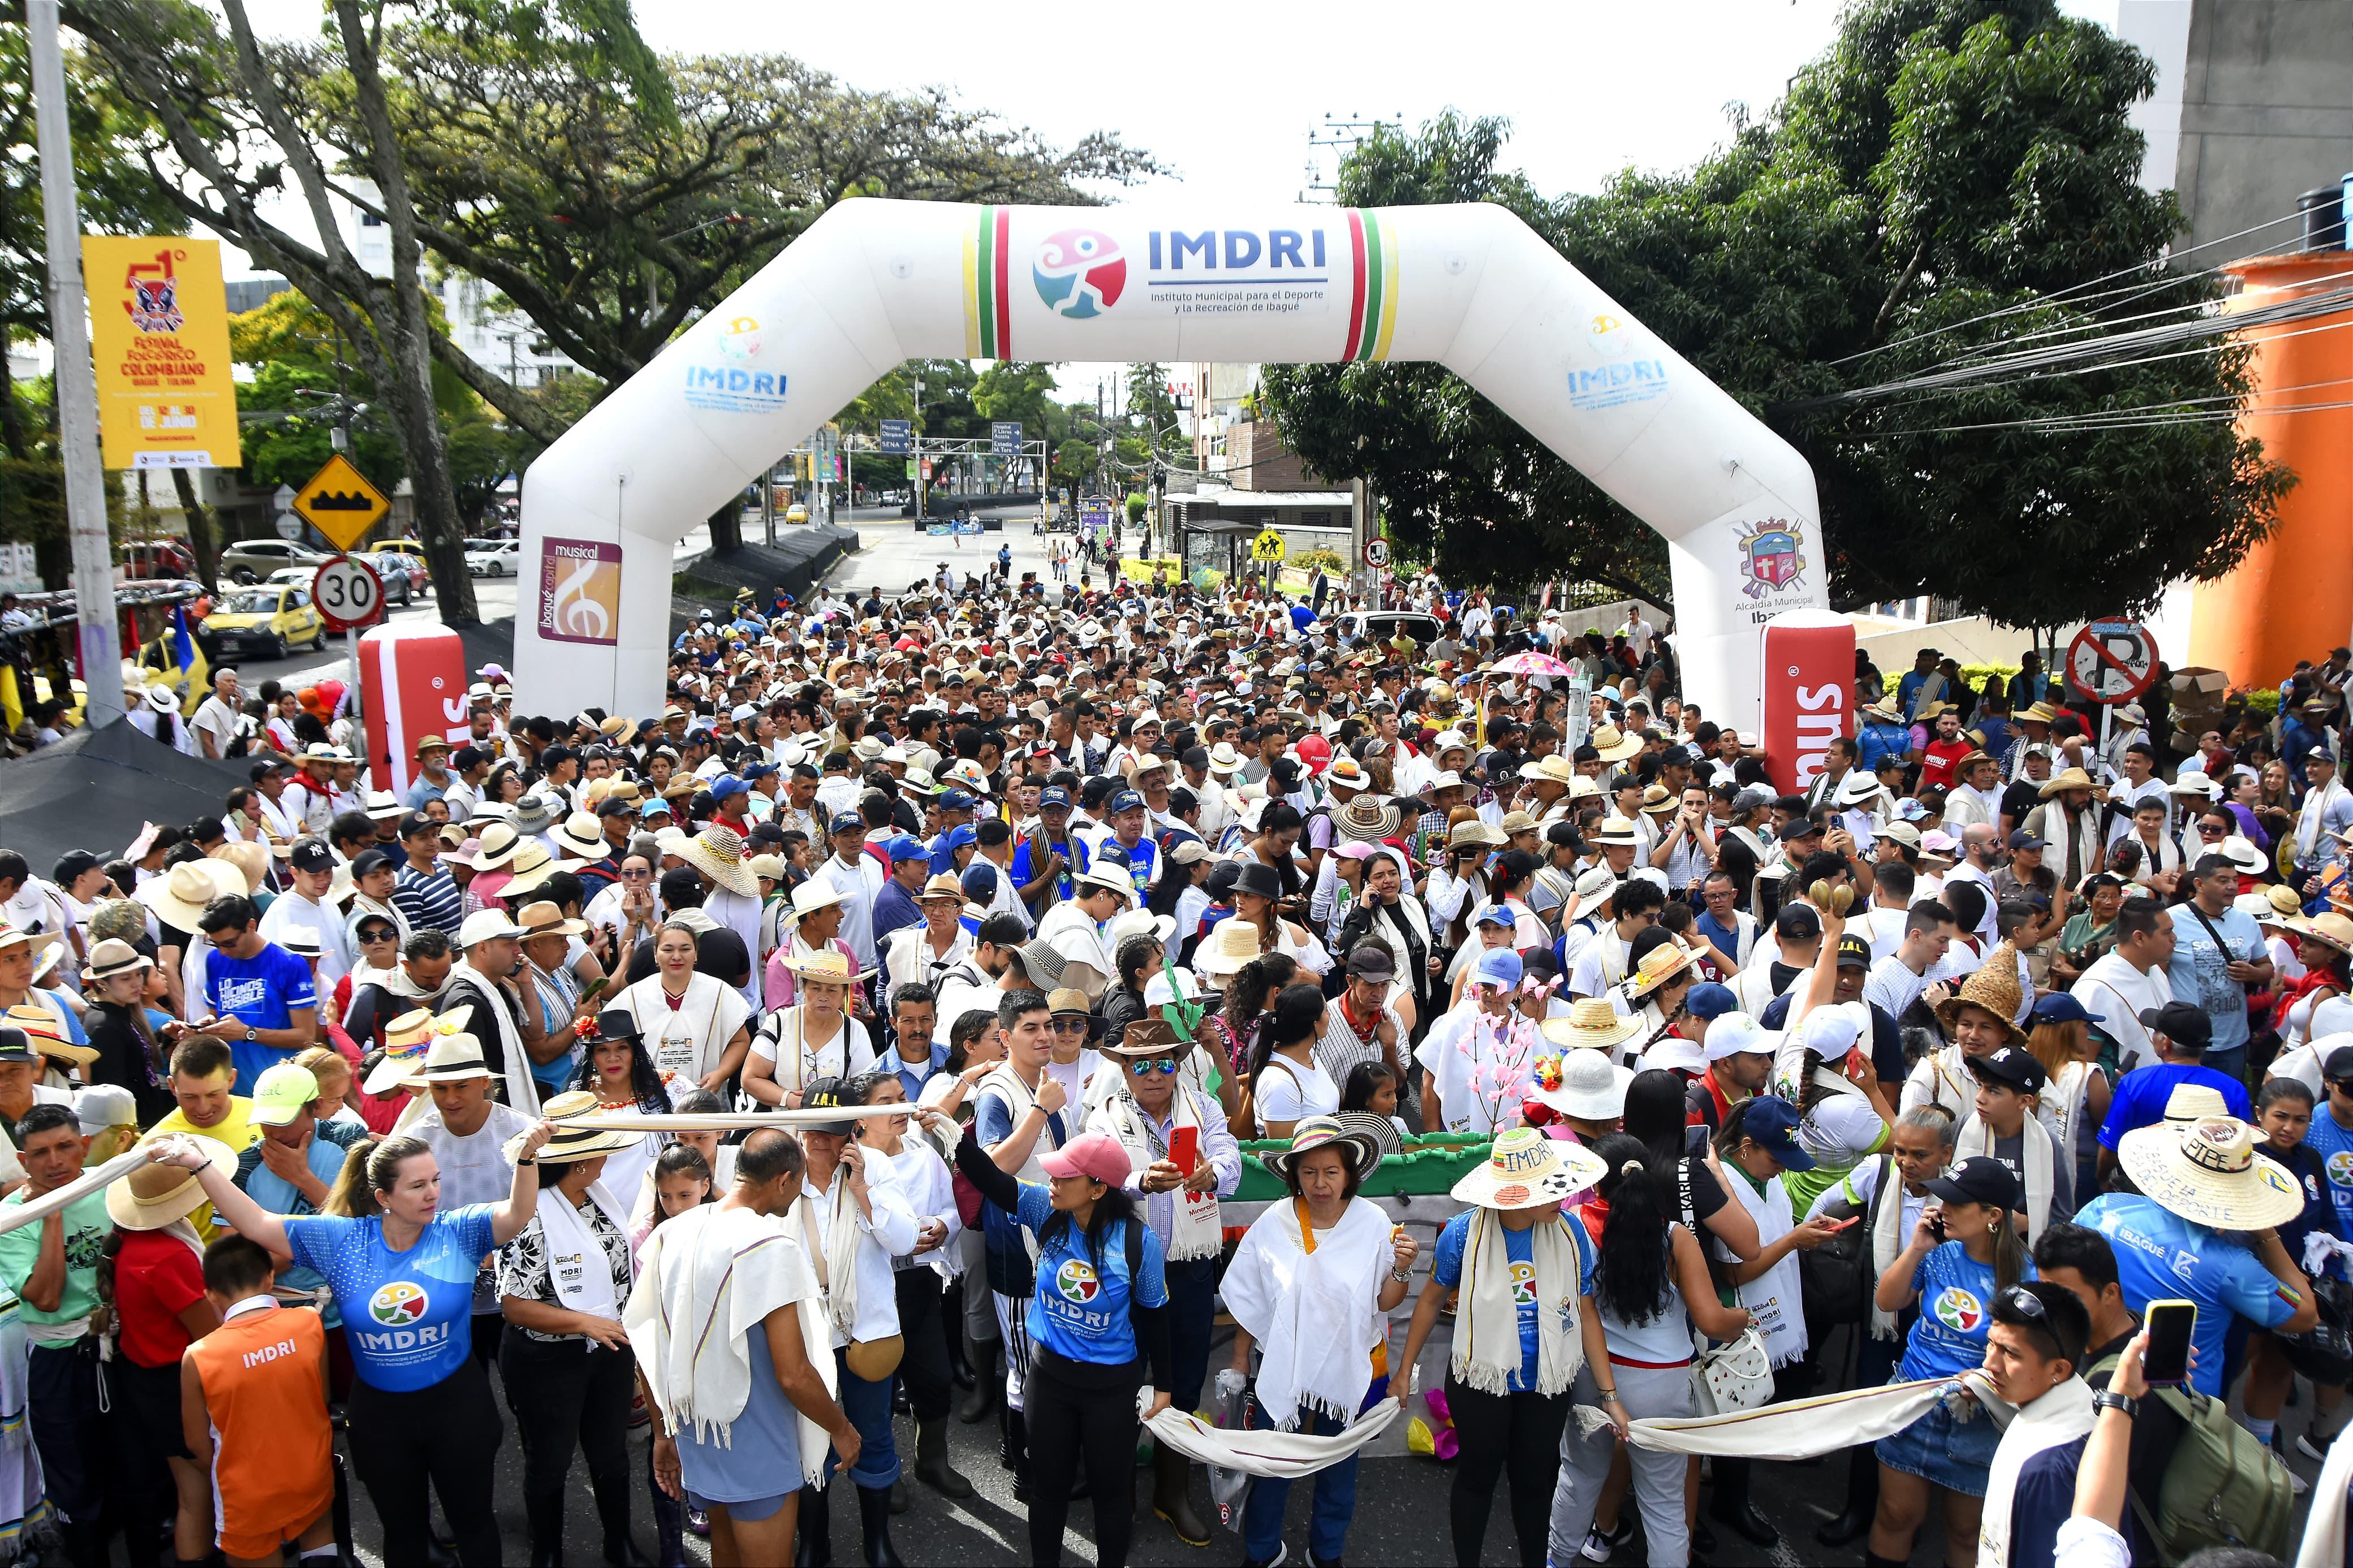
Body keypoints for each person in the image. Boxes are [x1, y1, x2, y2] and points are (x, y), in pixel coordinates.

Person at [146, 1113, 557, 1568]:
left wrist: (526, 1158)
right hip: (381, 1418)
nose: (434, 1193)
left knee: (475, 1524)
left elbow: (518, 1212)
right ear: (383, 1196)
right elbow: (256, 1222)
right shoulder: (341, 1240)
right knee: (403, 1535)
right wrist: (200, 1164)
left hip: (458, 1408)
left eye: (436, 1180)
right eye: (418, 1185)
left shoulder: (458, 1230)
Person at [630, 1128, 861, 1568]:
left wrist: (663, 1432)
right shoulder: (771, 1246)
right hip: (754, 1435)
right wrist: (842, 1429)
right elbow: (793, 1373)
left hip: (700, 1430)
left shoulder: (673, 1232)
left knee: (726, 1552)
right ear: (784, 1180)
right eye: (799, 1181)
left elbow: (648, 1342)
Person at [952, 1122, 1173, 1568]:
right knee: (1046, 1490)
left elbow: (1155, 1315)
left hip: (1112, 1389)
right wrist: (951, 1135)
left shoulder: (1138, 1242)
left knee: (1111, 1496)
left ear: (1097, 1188)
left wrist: (1164, 1386)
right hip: (1049, 1379)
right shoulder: (1043, 1208)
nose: (1051, 1180)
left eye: (1064, 1175)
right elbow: (992, 1180)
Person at [1390, 1129, 1612, 1567]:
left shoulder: (1571, 1232)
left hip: (1546, 1383)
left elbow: (1586, 1312)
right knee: (1477, 1477)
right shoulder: (1463, 1233)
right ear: (1517, 1195)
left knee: (1534, 1482)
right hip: (1480, 1381)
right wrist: (1404, 1370)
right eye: (1549, 1189)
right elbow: (1432, 1298)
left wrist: (1611, 1396)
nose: (1564, 1197)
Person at [1221, 1117, 1415, 1568]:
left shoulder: (1373, 1223)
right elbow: (1254, 1296)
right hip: (1283, 1364)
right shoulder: (1276, 1220)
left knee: (1338, 1464)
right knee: (1274, 1461)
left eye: (1331, 1171)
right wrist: (1239, 1357)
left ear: (1349, 1173)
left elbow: (1384, 1300)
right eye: (1309, 1172)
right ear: (1295, 1175)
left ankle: (1327, 1553)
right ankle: (1261, 1550)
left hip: (1345, 1364)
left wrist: (1403, 1269)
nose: (1320, 1183)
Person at [1085, 1017, 1240, 1547]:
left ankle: (1171, 1493)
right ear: (1125, 1069)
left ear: (1177, 1065)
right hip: (1125, 1270)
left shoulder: (1205, 1105)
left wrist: (1211, 1174)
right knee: (1120, 1379)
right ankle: (1118, 1495)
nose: (1155, 1074)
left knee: (1186, 1380)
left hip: (1191, 1269)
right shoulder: (1104, 1114)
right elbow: (1095, 1178)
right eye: (1143, 1064)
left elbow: (1231, 1157)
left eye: (1165, 1063)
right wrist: (1135, 1182)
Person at [493, 1094, 649, 1568]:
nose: (608, 1156)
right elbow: (515, 1305)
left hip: (607, 1351)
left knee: (611, 1454)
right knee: (550, 1462)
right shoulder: (528, 1213)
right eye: (601, 1149)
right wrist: (585, 1322)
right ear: (580, 1163)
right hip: (548, 1361)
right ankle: (548, 1553)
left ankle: (619, 1544)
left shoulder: (596, 1196)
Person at [2075, 1102, 2316, 1399]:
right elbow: (2306, 1315)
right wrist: (2265, 1232)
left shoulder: (2105, 1208)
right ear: (2242, 1191)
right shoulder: (2233, 1267)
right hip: (2179, 1405)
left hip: (2089, 1376)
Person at [1869, 1154, 2032, 1568]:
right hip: (1913, 1402)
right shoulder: (1938, 1253)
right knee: (1895, 1515)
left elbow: (2028, 1359)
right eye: (1943, 1199)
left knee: (1966, 1533)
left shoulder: (2026, 1276)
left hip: (1976, 1422)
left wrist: (1983, 1378)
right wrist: (1916, 1248)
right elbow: (1887, 1300)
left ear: (1994, 1215)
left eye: (1956, 1203)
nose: (1941, 1209)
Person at [786, 1075, 915, 1568]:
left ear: (853, 1131)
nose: (820, 1140)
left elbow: (904, 1241)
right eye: (812, 1130)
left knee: (875, 1435)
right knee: (811, 1439)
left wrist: (862, 1190)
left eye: (831, 1131)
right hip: (806, 1335)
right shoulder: (784, 1171)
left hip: (866, 1332)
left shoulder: (877, 1167)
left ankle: (877, 1542)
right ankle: (814, 1543)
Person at [0, 1103, 117, 1568]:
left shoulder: (108, 1185)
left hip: (116, 1349)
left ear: (84, 1146)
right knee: (73, 1482)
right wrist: (51, 1215)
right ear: (23, 1161)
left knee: (131, 1467)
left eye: (66, 1146)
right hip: (56, 1359)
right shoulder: (10, 1218)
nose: (55, 1161)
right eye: (40, 1153)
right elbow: (46, 1297)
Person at [181, 1234, 337, 1568]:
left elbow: (197, 1443)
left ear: (210, 1294)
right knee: (321, 1551)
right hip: (310, 1472)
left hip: (245, 1493)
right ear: (270, 1277)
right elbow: (322, 1396)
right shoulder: (309, 1321)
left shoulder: (198, 1356)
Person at [1975, 1280, 2095, 1568]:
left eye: (2011, 1353)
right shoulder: (2082, 1402)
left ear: (2058, 1369)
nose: (1990, 1363)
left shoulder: (2049, 1470)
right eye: (1992, 1342)